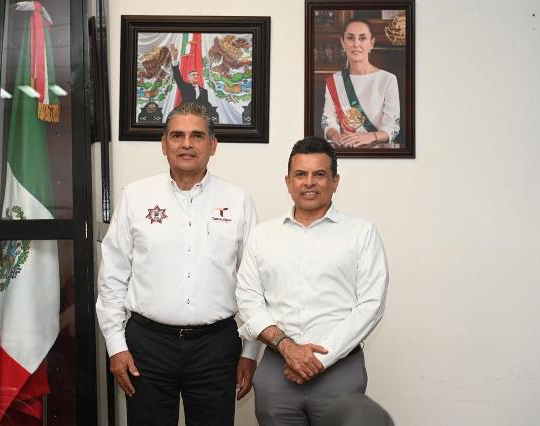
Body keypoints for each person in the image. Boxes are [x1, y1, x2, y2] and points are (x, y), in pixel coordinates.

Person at [96, 102, 260, 426]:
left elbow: (254, 284)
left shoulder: (238, 201)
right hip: (147, 346)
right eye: (177, 135)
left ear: (213, 145)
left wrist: (250, 352)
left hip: (216, 347)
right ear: (164, 144)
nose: (187, 144)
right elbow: (112, 277)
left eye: (197, 136)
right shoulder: (136, 196)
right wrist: (115, 346)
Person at [236, 136, 389, 425]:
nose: (309, 182)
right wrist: (288, 348)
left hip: (339, 368)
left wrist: (319, 359)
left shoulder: (361, 233)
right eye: (300, 174)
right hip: (277, 368)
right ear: (288, 181)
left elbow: (371, 305)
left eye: (319, 174)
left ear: (335, 181)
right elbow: (248, 299)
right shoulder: (262, 235)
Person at [321, 17, 401, 148]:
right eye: (350, 38)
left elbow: (392, 127)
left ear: (372, 43)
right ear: (342, 42)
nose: (356, 44)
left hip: (378, 152)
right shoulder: (334, 80)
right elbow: (327, 120)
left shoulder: (388, 79)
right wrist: (336, 136)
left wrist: (369, 137)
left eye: (362, 38)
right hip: (345, 149)